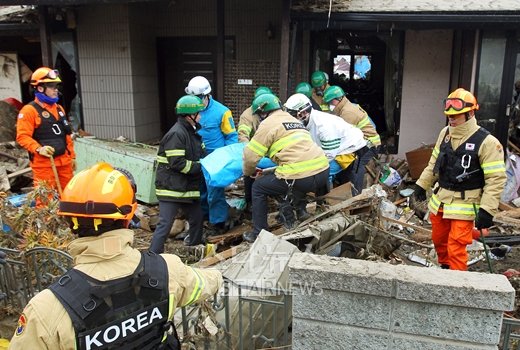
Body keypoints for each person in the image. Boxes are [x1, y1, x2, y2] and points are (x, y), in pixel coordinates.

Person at [8, 162, 222, 349]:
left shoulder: (46, 310)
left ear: (69, 222)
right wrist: (218, 275)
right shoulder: (168, 271)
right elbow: (208, 282)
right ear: (129, 216)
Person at [413, 88, 506, 271]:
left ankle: (458, 283)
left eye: (456, 116)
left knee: (456, 247)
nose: (451, 119)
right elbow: (435, 162)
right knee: (439, 241)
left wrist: (487, 210)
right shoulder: (445, 133)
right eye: (449, 116)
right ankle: (446, 270)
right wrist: (421, 184)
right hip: (441, 201)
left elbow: (495, 180)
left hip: (465, 204)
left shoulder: (487, 143)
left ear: (470, 113)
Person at [242, 93, 330, 243]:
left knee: (258, 187)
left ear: (263, 113)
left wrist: (249, 173)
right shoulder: (292, 120)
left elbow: (250, 157)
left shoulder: (267, 124)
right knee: (282, 179)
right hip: (323, 172)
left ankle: (259, 234)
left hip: (302, 177)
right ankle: (298, 211)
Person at [150, 95, 206, 252]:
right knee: (165, 224)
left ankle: (194, 249)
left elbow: (199, 154)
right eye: (198, 113)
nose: (200, 116)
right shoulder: (177, 134)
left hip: (185, 186)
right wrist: (201, 167)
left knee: (197, 217)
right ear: (189, 116)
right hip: (171, 188)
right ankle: (153, 256)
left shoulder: (190, 132)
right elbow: (177, 163)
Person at [185, 76, 238, 235]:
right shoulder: (190, 110)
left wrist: (227, 160)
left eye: (200, 98)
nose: (198, 103)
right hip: (197, 158)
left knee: (215, 192)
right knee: (200, 190)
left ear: (207, 95)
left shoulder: (222, 112)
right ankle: (205, 218)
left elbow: (231, 137)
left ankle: (218, 223)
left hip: (216, 159)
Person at [16, 67, 75, 198]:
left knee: (70, 197)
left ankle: (67, 219)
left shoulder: (59, 109)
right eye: (52, 86)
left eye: (56, 86)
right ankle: (48, 219)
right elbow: (22, 137)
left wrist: (72, 157)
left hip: (64, 162)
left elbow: (66, 135)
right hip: (44, 165)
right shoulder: (29, 111)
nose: (56, 89)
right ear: (40, 88)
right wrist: (38, 149)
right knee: (45, 201)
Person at [283, 93, 367, 183]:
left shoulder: (323, 126)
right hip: (335, 148)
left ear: (303, 113)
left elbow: (329, 155)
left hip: (348, 150)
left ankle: (326, 194)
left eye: (293, 115)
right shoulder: (308, 120)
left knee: (320, 173)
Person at [323, 85, 381, 195]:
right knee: (348, 167)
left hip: (369, 143)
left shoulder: (348, 113)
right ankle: (345, 192)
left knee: (356, 167)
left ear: (338, 99)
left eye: (331, 102)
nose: (329, 105)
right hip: (361, 141)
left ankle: (355, 196)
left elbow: (343, 136)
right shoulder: (345, 107)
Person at [237, 86, 273, 210]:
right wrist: (249, 153)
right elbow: (243, 134)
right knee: (249, 174)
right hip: (256, 148)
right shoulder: (247, 115)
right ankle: (250, 202)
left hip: (272, 149)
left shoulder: (277, 111)